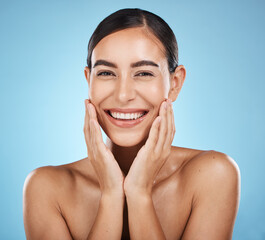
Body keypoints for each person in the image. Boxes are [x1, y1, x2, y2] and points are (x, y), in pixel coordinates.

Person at [23, 8, 240, 240]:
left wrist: (139, 193)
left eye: (144, 73)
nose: (123, 95)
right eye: (106, 73)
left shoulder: (212, 174)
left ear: (175, 83)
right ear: (89, 80)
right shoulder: (46, 188)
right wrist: (111, 195)